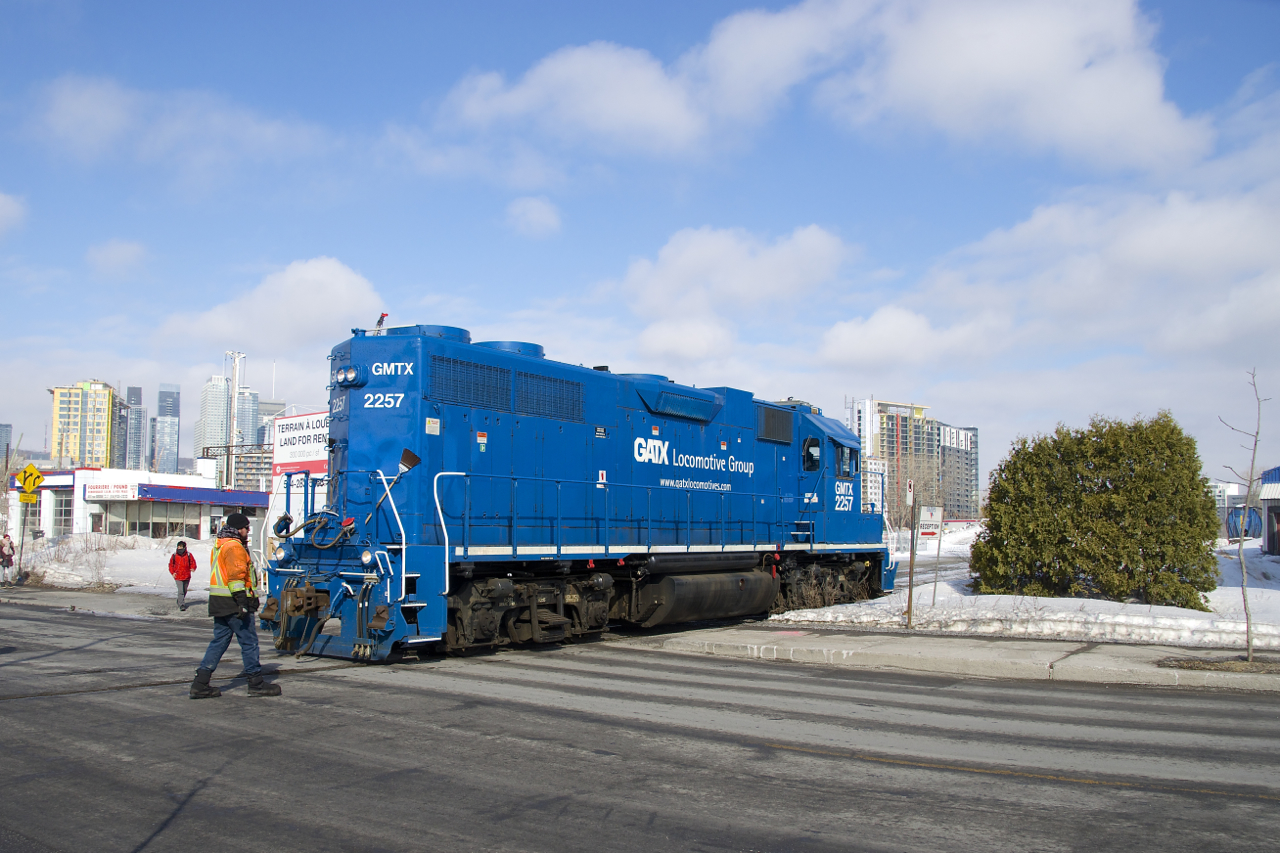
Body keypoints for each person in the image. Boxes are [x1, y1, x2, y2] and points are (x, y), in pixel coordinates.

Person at [189, 513, 281, 699]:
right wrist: (243, 601)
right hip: (233, 602)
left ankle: (200, 683)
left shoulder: (221, 545)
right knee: (249, 642)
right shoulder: (234, 547)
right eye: (247, 528)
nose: (248, 531)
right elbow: (236, 576)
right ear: (239, 529)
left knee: (219, 641)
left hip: (218, 601)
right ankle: (255, 682)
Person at [168, 540, 196, 610]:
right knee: (181, 591)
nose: (179, 548)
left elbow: (193, 562)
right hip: (178, 576)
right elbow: (171, 565)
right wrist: (172, 572)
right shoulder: (174, 555)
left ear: (184, 547)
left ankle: (179, 600)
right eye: (178, 547)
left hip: (187, 575)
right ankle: (181, 604)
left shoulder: (189, 555)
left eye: (180, 547)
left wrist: (193, 568)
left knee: (184, 590)